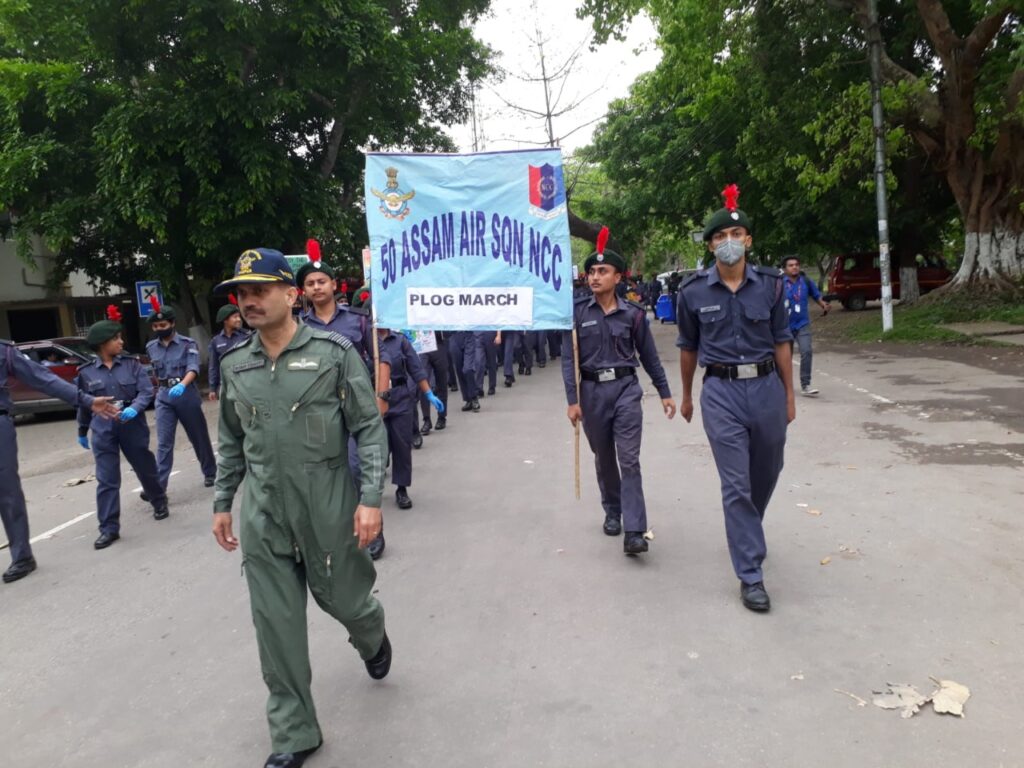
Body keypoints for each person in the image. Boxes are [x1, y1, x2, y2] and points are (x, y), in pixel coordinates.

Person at [211, 247, 392, 768]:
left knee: (345, 600)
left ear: (291, 295)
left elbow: (368, 428)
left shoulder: (335, 353)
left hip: (328, 504)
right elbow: (230, 442)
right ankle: (295, 732)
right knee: (275, 623)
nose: (249, 301)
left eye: (260, 290)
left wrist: (371, 499)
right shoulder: (234, 364)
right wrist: (224, 502)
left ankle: (371, 632)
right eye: (242, 293)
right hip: (264, 510)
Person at [675, 184, 795, 612]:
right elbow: (688, 347)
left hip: (765, 388)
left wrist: (789, 396)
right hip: (721, 391)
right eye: (719, 238)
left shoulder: (772, 286)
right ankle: (751, 575)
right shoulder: (692, 292)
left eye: (736, 235)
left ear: (748, 239)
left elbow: (782, 341)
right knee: (736, 484)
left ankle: (749, 527)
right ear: (710, 245)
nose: (728, 243)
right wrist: (687, 395)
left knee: (768, 469)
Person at [562, 227, 676, 555]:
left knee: (629, 459)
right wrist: (572, 400)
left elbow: (649, 357)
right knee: (604, 457)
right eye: (591, 272)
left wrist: (665, 392)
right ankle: (612, 509)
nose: (595, 277)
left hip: (626, 390)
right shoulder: (576, 315)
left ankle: (635, 530)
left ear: (617, 277)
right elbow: (569, 361)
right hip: (592, 393)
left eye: (602, 271)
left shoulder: (634, 315)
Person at [1, 341, 119, 583]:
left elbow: (44, 379)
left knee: (7, 492)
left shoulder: (4, 352)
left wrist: (85, 400)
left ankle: (22, 556)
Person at [76, 306, 169, 549]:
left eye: (120, 337)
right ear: (102, 344)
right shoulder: (85, 372)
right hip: (103, 428)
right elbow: (84, 404)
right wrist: (82, 430)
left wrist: (135, 408)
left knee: (144, 466)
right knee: (107, 478)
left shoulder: (132, 364)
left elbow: (146, 390)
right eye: (116, 338)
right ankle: (108, 528)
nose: (121, 341)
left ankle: (159, 501)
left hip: (132, 424)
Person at [375, 327, 444, 540]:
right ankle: (372, 493)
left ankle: (401, 488)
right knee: (377, 448)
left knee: (402, 445)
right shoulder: (367, 339)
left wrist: (428, 393)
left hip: (400, 398)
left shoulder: (400, 340)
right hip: (374, 399)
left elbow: (416, 368)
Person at [146, 299, 217, 491]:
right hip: (163, 397)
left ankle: (210, 472)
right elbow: (154, 371)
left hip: (185, 394)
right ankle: (159, 485)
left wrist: (183, 384)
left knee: (198, 437)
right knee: (164, 442)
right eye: (156, 326)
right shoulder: (151, 347)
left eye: (163, 325)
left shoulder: (187, 343)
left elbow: (193, 368)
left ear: (172, 324)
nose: (159, 328)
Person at [782, 255, 829, 396]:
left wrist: (823, 304)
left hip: (803, 324)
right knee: (784, 357)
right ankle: (783, 386)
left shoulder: (806, 281)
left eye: (796, 264)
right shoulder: (778, 283)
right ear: (784, 269)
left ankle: (806, 385)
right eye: (791, 265)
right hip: (784, 326)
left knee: (806, 351)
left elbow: (816, 295)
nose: (795, 267)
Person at [208, 301, 251, 400]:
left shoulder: (247, 336)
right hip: (227, 385)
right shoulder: (216, 341)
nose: (239, 320)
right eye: (235, 317)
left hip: (246, 383)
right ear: (225, 320)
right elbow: (213, 366)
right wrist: (212, 388)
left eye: (239, 317)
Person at [418, 332, 449, 434]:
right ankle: (426, 419)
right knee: (423, 381)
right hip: (423, 345)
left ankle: (442, 416)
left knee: (441, 382)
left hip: (438, 343)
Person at [449, 331, 482, 412]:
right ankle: (468, 399)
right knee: (459, 370)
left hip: (468, 335)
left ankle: (474, 398)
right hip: (454, 335)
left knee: (468, 369)